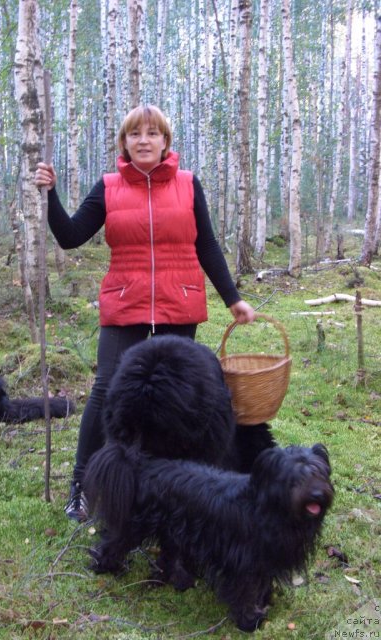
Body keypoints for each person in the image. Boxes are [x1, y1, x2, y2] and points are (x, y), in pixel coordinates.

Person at [35, 105, 255, 522]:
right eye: (135, 134)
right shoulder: (109, 187)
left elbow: (206, 245)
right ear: (124, 143)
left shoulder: (189, 186)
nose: (144, 140)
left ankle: (165, 486)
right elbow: (69, 236)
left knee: (173, 398)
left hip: (179, 302)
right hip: (125, 303)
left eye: (153, 133)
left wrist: (233, 298)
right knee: (105, 391)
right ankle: (82, 488)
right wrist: (51, 196)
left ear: (166, 142)